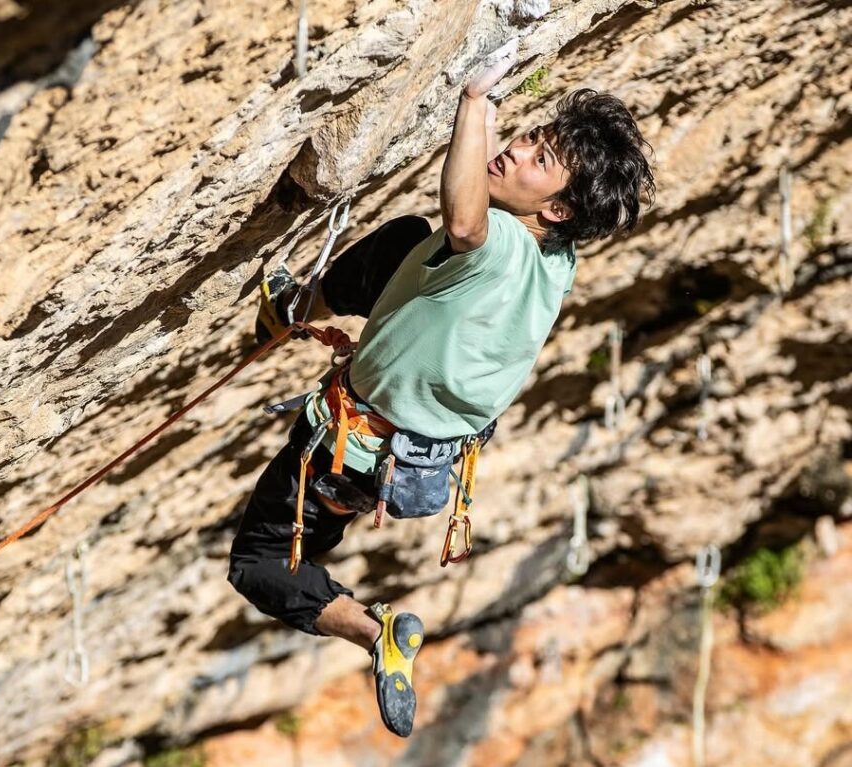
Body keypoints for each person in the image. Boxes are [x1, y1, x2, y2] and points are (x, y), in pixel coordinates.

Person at [228, 52, 656, 738]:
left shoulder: (496, 245)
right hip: (408, 454)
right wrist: (489, 117)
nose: (515, 150)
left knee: (260, 563)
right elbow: (467, 215)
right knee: (405, 242)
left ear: (555, 206)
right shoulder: (556, 259)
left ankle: (376, 632)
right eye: (527, 138)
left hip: (351, 450)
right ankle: (298, 307)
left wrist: (472, 98)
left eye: (538, 156)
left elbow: (464, 222)